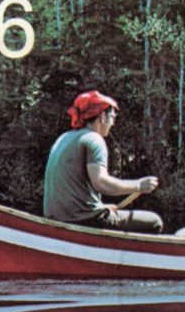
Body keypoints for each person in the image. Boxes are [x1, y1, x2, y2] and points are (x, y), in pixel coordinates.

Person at [43, 90, 163, 233]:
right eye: (112, 117)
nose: (113, 123)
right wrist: (138, 186)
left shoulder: (64, 138)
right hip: (83, 219)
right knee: (155, 221)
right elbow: (101, 183)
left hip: (55, 219)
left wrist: (100, 207)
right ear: (102, 117)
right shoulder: (94, 139)